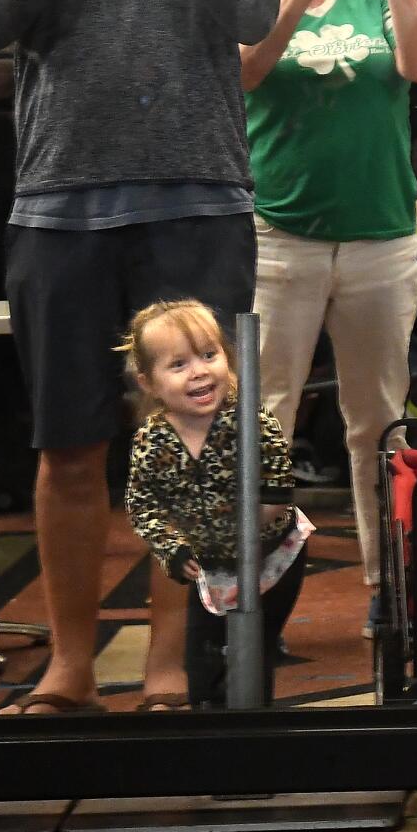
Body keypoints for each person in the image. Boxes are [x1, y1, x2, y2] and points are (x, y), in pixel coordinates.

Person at [0, 0, 279, 715]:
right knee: (67, 444)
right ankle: (71, 664)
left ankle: (175, 666)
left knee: (191, 440)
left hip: (198, 199)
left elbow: (259, 15)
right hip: (62, 208)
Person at [237, 0, 417, 638]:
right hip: (277, 238)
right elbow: (246, 69)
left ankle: (388, 590)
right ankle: (258, 602)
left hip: (381, 237)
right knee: (266, 421)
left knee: (377, 421)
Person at [119, 301, 306, 709]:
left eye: (209, 355)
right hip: (208, 561)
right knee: (203, 651)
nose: (200, 371)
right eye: (178, 364)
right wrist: (172, 548)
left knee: (252, 646)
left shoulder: (249, 420)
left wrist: (255, 519)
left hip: (274, 552)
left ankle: (251, 723)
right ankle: (209, 714)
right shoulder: (154, 441)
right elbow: (143, 504)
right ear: (148, 382)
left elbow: (277, 480)